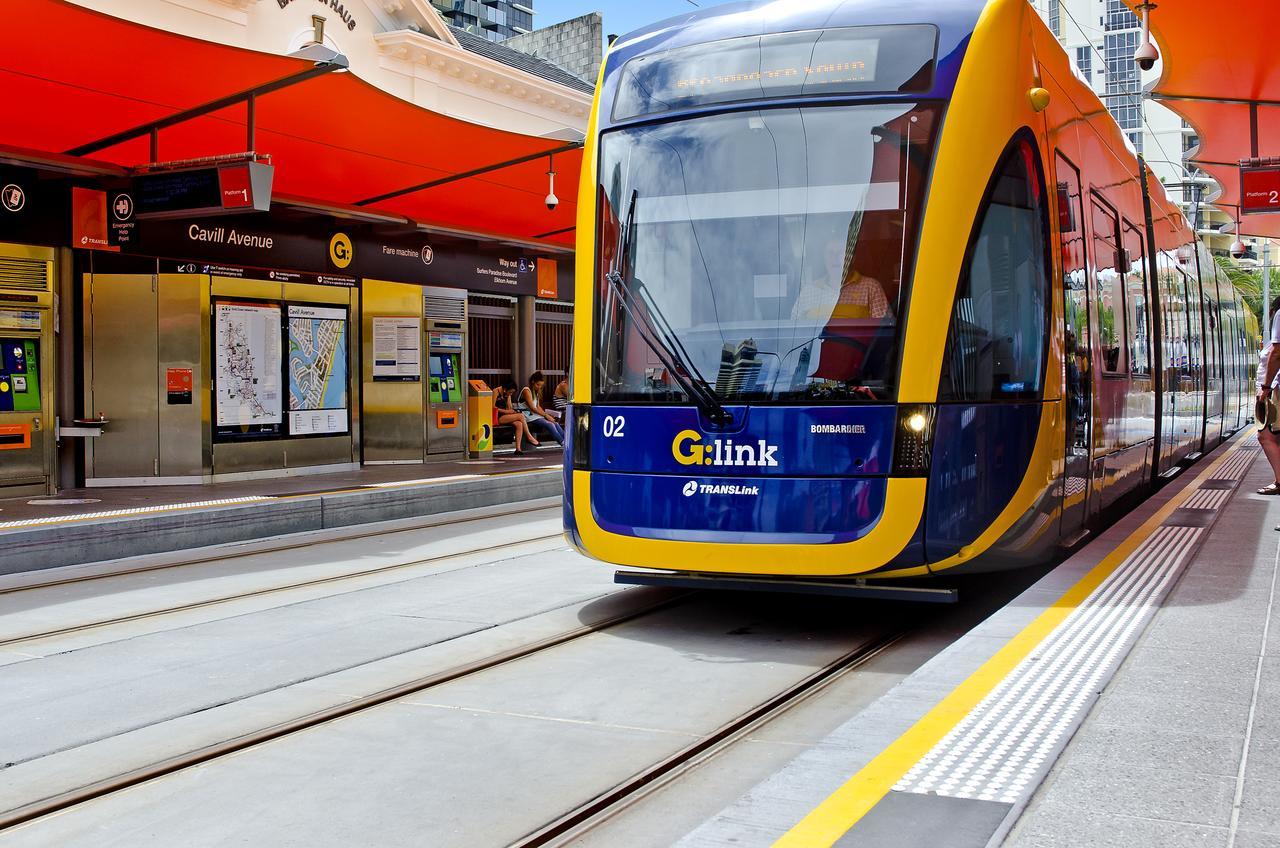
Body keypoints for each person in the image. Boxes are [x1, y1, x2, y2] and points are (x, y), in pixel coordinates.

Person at [1256, 296, 1280, 496]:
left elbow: (1277, 352)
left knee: (1265, 435)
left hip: (1275, 389)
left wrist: (1266, 388)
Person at [518, 371, 565, 445]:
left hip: (534, 415)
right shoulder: (526, 390)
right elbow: (532, 408)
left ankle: (567, 441)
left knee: (555, 423)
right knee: (550, 424)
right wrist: (546, 415)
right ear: (533, 382)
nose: (539, 387)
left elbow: (538, 407)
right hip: (527, 415)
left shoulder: (536, 392)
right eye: (538, 385)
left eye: (541, 386)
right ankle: (563, 443)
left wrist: (547, 415)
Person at [495, 381, 539, 456]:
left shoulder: (507, 394)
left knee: (519, 424)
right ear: (505, 389)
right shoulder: (496, 392)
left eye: (512, 393)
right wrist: (506, 411)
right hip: (498, 417)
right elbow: (493, 407)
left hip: (506, 416)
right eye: (510, 392)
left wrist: (509, 398)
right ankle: (529, 436)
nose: (511, 394)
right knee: (521, 416)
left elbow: (509, 408)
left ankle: (518, 449)